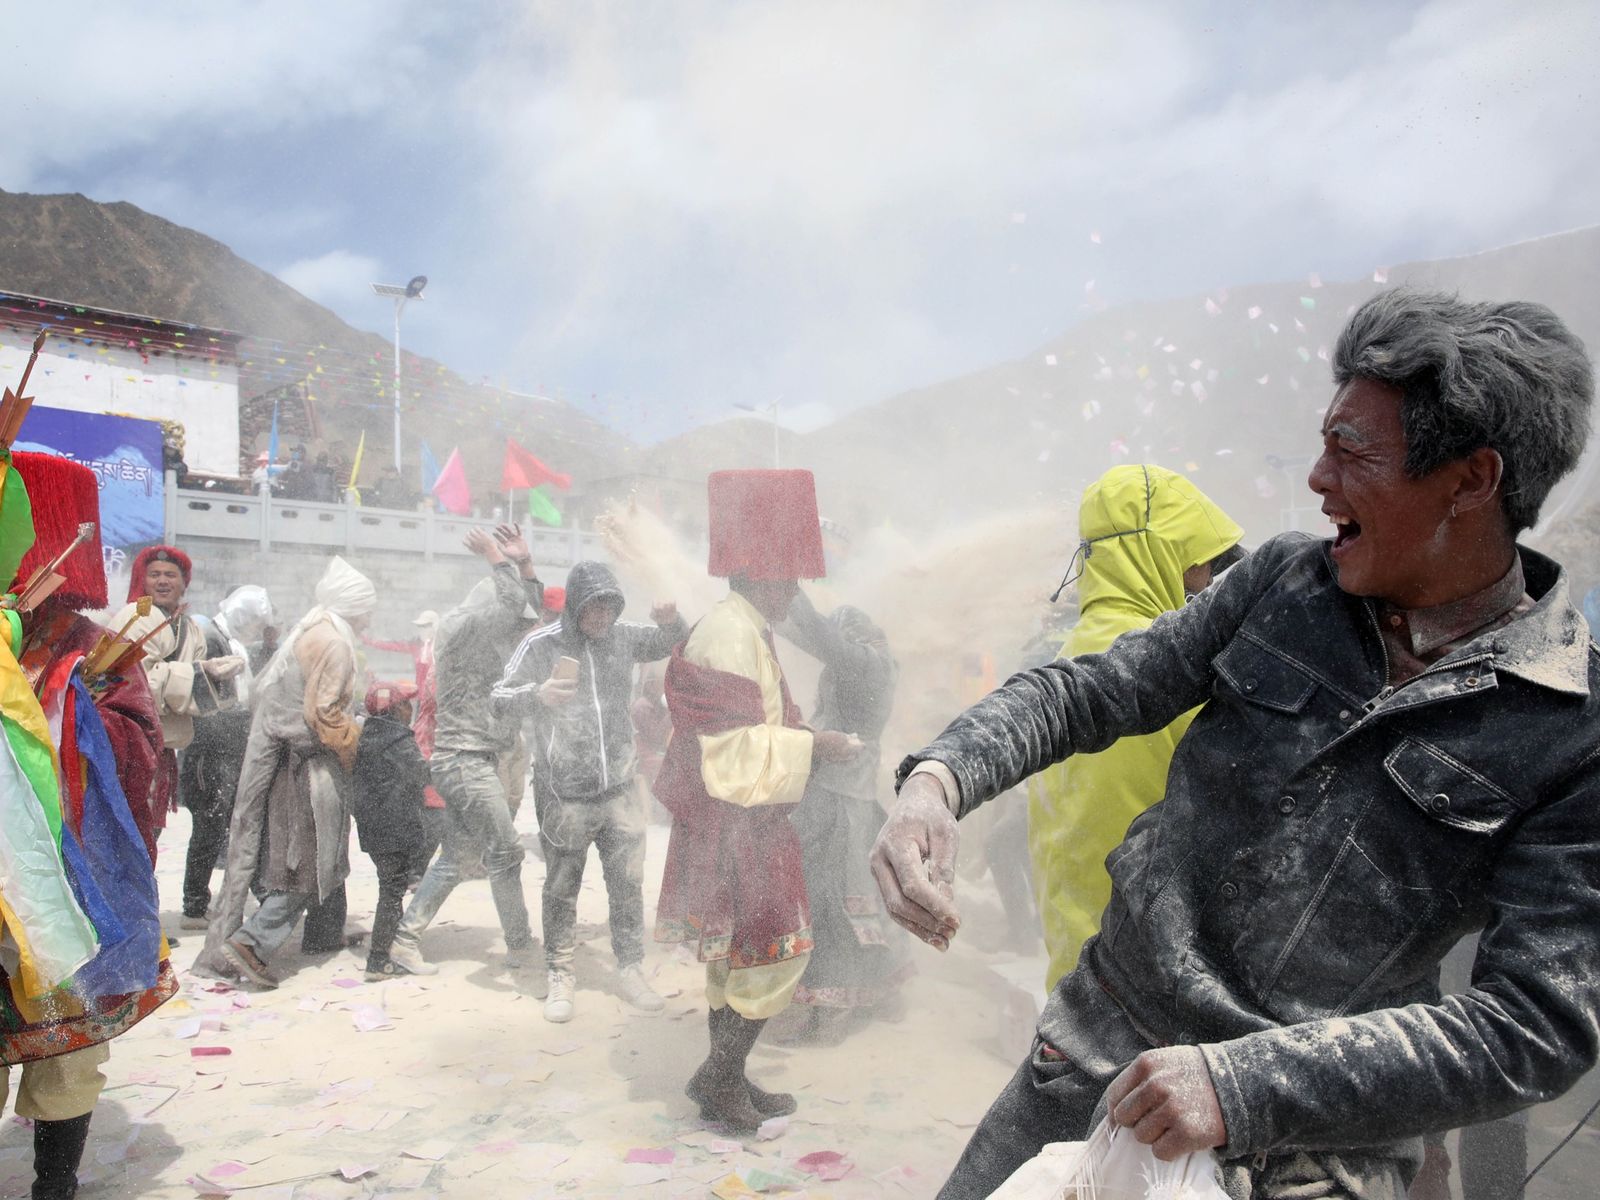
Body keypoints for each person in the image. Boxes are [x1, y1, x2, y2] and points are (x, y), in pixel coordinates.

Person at [869, 290, 1600, 1199]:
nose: (1317, 479)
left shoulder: (1572, 725)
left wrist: (1242, 1083)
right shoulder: (1285, 584)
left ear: (1471, 480)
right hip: (1088, 1062)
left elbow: (1536, 1024)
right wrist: (937, 781)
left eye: (1352, 451)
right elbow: (1091, 689)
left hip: (1299, 1162)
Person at [653, 469, 859, 1131]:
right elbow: (730, 754)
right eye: (790, 581)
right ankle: (717, 1077)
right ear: (765, 578)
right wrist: (816, 746)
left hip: (745, 824)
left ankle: (728, 1076)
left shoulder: (742, 626)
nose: (795, 594)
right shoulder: (729, 632)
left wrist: (803, 741)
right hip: (738, 825)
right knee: (775, 952)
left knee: (739, 958)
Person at [3, 449, 177, 1200]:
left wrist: (76, 720)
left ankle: (55, 1182)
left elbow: (141, 750)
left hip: (71, 880)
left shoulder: (89, 648)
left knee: (67, 1050)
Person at [1026, 465, 1244, 988]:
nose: (1207, 581)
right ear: (1162, 555)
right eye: (1200, 561)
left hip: (1077, 967)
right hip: (1151, 980)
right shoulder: (1166, 672)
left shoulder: (1069, 657)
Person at [493, 561, 688, 1022]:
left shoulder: (624, 637)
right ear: (576, 605)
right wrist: (538, 694)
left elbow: (674, 642)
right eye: (593, 607)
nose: (602, 617)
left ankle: (631, 968)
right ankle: (560, 972)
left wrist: (671, 621)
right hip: (564, 792)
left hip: (620, 787)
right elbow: (498, 698)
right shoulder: (541, 643)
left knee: (628, 884)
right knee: (562, 888)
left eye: (609, 607)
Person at [195, 556, 377, 989]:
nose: (369, 619)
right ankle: (250, 945)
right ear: (353, 607)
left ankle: (323, 932)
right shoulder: (334, 643)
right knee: (307, 862)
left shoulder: (313, 628)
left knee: (317, 855)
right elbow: (324, 716)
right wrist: (359, 742)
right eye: (367, 610)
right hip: (304, 768)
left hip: (281, 762)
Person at [388, 525, 545, 975]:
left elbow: (527, 613)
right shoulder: (464, 627)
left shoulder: (484, 628)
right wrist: (497, 556)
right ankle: (519, 945)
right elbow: (514, 607)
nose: (520, 630)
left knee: (457, 858)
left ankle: (404, 940)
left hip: (470, 759)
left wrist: (524, 564)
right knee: (506, 851)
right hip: (465, 761)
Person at [775, 589, 909, 1044]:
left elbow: (820, 637)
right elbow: (816, 641)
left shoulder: (870, 663)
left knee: (834, 903)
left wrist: (790, 588)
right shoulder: (857, 663)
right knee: (846, 900)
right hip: (837, 793)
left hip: (843, 800)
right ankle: (877, 994)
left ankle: (835, 1007)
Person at [108, 545, 244, 845]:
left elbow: (191, 688)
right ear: (143, 581)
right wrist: (201, 672)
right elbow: (135, 681)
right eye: (154, 574)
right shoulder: (135, 617)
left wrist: (217, 676)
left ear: (184, 583)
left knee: (149, 829)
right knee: (128, 828)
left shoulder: (190, 627)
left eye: (170, 575)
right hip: (129, 742)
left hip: (162, 744)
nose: (162, 581)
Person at [181, 585, 275, 928]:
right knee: (210, 825)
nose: (255, 630)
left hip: (230, 744)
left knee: (234, 823)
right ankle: (194, 905)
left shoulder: (230, 639)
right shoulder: (209, 634)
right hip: (210, 748)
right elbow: (201, 694)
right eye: (254, 623)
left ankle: (254, 894)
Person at [352, 680, 430, 980]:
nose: (411, 709)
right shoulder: (398, 738)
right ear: (396, 709)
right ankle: (379, 960)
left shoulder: (366, 734)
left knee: (390, 886)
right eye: (406, 704)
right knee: (392, 890)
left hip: (372, 828)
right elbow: (421, 773)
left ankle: (386, 949)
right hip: (394, 827)